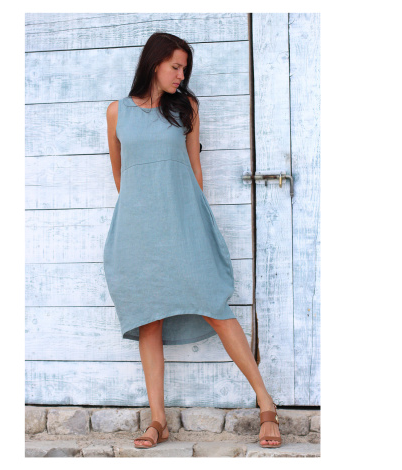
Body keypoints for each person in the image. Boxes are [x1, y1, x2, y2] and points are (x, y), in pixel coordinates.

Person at [104, 32, 282, 449]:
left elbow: (194, 170)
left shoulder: (186, 108)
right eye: (176, 67)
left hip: (184, 223)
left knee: (214, 306)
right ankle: (159, 421)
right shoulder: (117, 112)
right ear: (154, 63)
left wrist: (194, 222)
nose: (181, 76)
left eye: (185, 69)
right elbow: (120, 174)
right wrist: (142, 215)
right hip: (137, 232)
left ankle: (266, 404)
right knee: (149, 319)